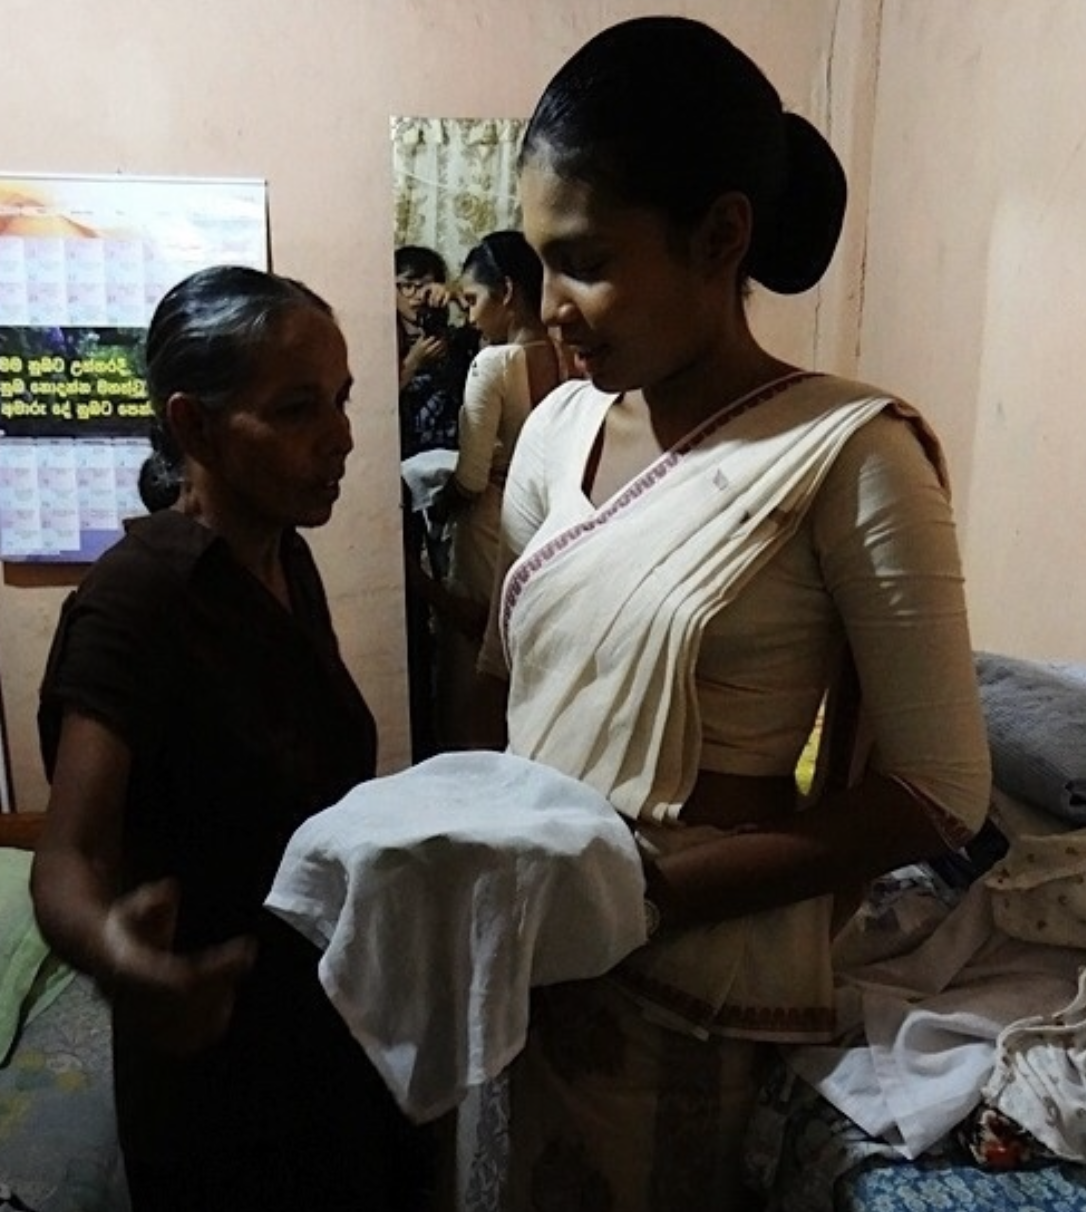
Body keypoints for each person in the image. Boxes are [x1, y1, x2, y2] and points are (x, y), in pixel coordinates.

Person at [468, 17, 991, 1210]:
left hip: (684, 982)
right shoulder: (557, 430)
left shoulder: (848, 455)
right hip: (535, 945)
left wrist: (644, 898)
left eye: (586, 260)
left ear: (720, 236)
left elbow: (939, 791)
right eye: (539, 262)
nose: (549, 308)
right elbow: (516, 684)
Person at [31, 265, 435, 1211]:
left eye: (341, 400)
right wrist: (127, 960)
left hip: (323, 1017)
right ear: (195, 426)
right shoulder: (137, 599)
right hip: (214, 1053)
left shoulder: (284, 557)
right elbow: (69, 856)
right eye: (297, 409)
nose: (341, 437)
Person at [428, 230, 561, 748]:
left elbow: (471, 478)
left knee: (474, 665)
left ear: (506, 291)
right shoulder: (567, 356)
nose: (469, 317)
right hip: (545, 520)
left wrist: (438, 504)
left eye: (472, 300)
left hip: (489, 524)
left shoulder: (495, 364)